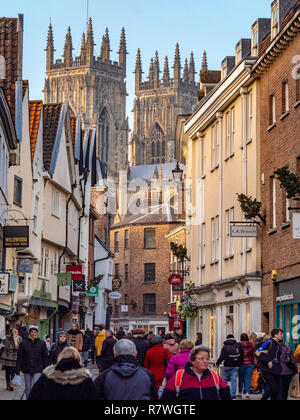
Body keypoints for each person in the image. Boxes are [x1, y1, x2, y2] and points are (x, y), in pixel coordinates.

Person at [161, 345, 231, 400]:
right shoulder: (179, 378)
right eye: (201, 358)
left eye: (207, 358)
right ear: (192, 360)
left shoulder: (214, 377)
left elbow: (227, 397)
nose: (205, 361)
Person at [27, 347, 97, 400]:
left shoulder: (47, 376)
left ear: (60, 357)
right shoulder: (85, 378)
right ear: (78, 358)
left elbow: (33, 396)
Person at [15, 325, 49, 399]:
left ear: (37, 333)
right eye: (32, 332)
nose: (33, 333)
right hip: (27, 368)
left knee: (36, 386)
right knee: (28, 388)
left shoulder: (42, 343)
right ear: (29, 333)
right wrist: (17, 369)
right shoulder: (23, 343)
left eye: (35, 332)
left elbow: (45, 357)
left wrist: (46, 368)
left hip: (38, 368)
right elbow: (20, 356)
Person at [256, 328, 283, 401]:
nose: (282, 335)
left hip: (276, 370)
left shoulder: (278, 344)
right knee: (274, 388)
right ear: (275, 335)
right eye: (281, 334)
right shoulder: (268, 342)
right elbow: (258, 352)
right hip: (267, 370)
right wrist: (267, 361)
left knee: (276, 390)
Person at [215, 334, 244, 399]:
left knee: (224, 380)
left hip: (227, 365)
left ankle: (224, 394)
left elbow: (222, 356)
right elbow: (242, 355)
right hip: (235, 366)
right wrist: (239, 363)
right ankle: (233, 395)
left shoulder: (225, 346)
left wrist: (217, 363)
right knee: (233, 381)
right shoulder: (238, 345)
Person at [237, 333, 256, 399]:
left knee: (241, 379)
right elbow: (254, 354)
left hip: (241, 364)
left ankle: (240, 393)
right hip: (250, 363)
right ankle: (247, 393)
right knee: (248, 378)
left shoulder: (239, 344)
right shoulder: (252, 345)